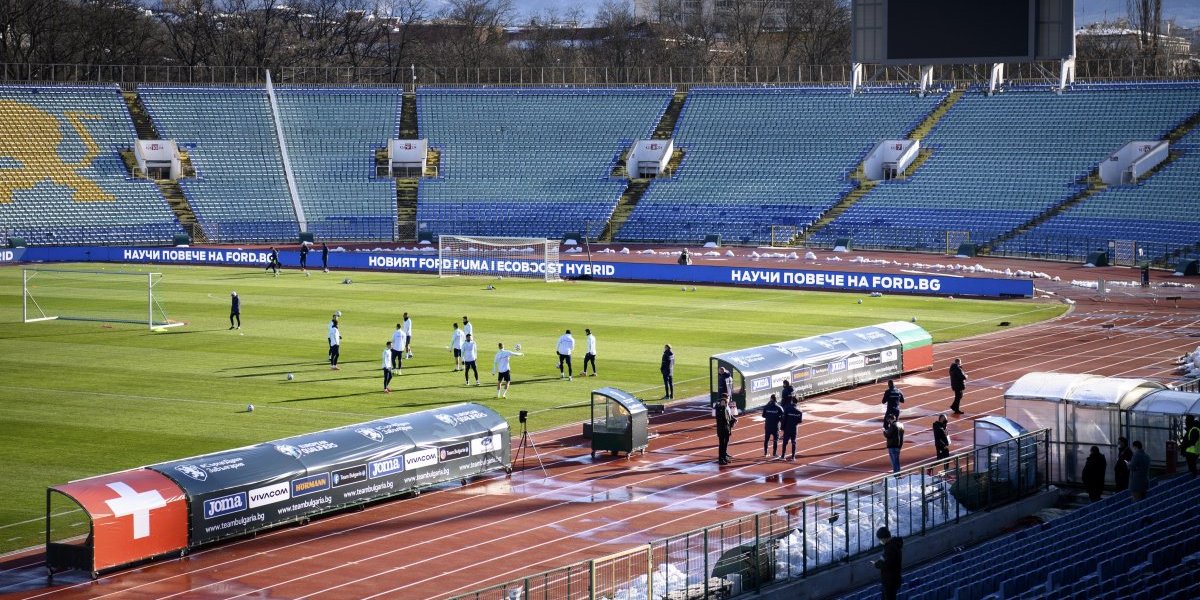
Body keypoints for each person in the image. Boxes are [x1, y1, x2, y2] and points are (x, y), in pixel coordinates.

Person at [873, 526, 903, 600]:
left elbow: (888, 564)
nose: (880, 541)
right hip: (893, 579)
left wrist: (877, 564)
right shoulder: (894, 545)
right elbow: (886, 560)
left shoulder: (890, 548)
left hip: (890, 581)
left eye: (880, 539)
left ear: (884, 538)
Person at [715, 395, 736, 464]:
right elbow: (721, 418)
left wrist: (733, 420)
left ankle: (724, 457)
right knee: (722, 444)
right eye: (726, 401)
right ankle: (721, 459)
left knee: (725, 444)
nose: (728, 401)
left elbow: (729, 416)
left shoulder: (726, 407)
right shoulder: (719, 409)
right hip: (722, 429)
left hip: (727, 428)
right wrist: (723, 407)